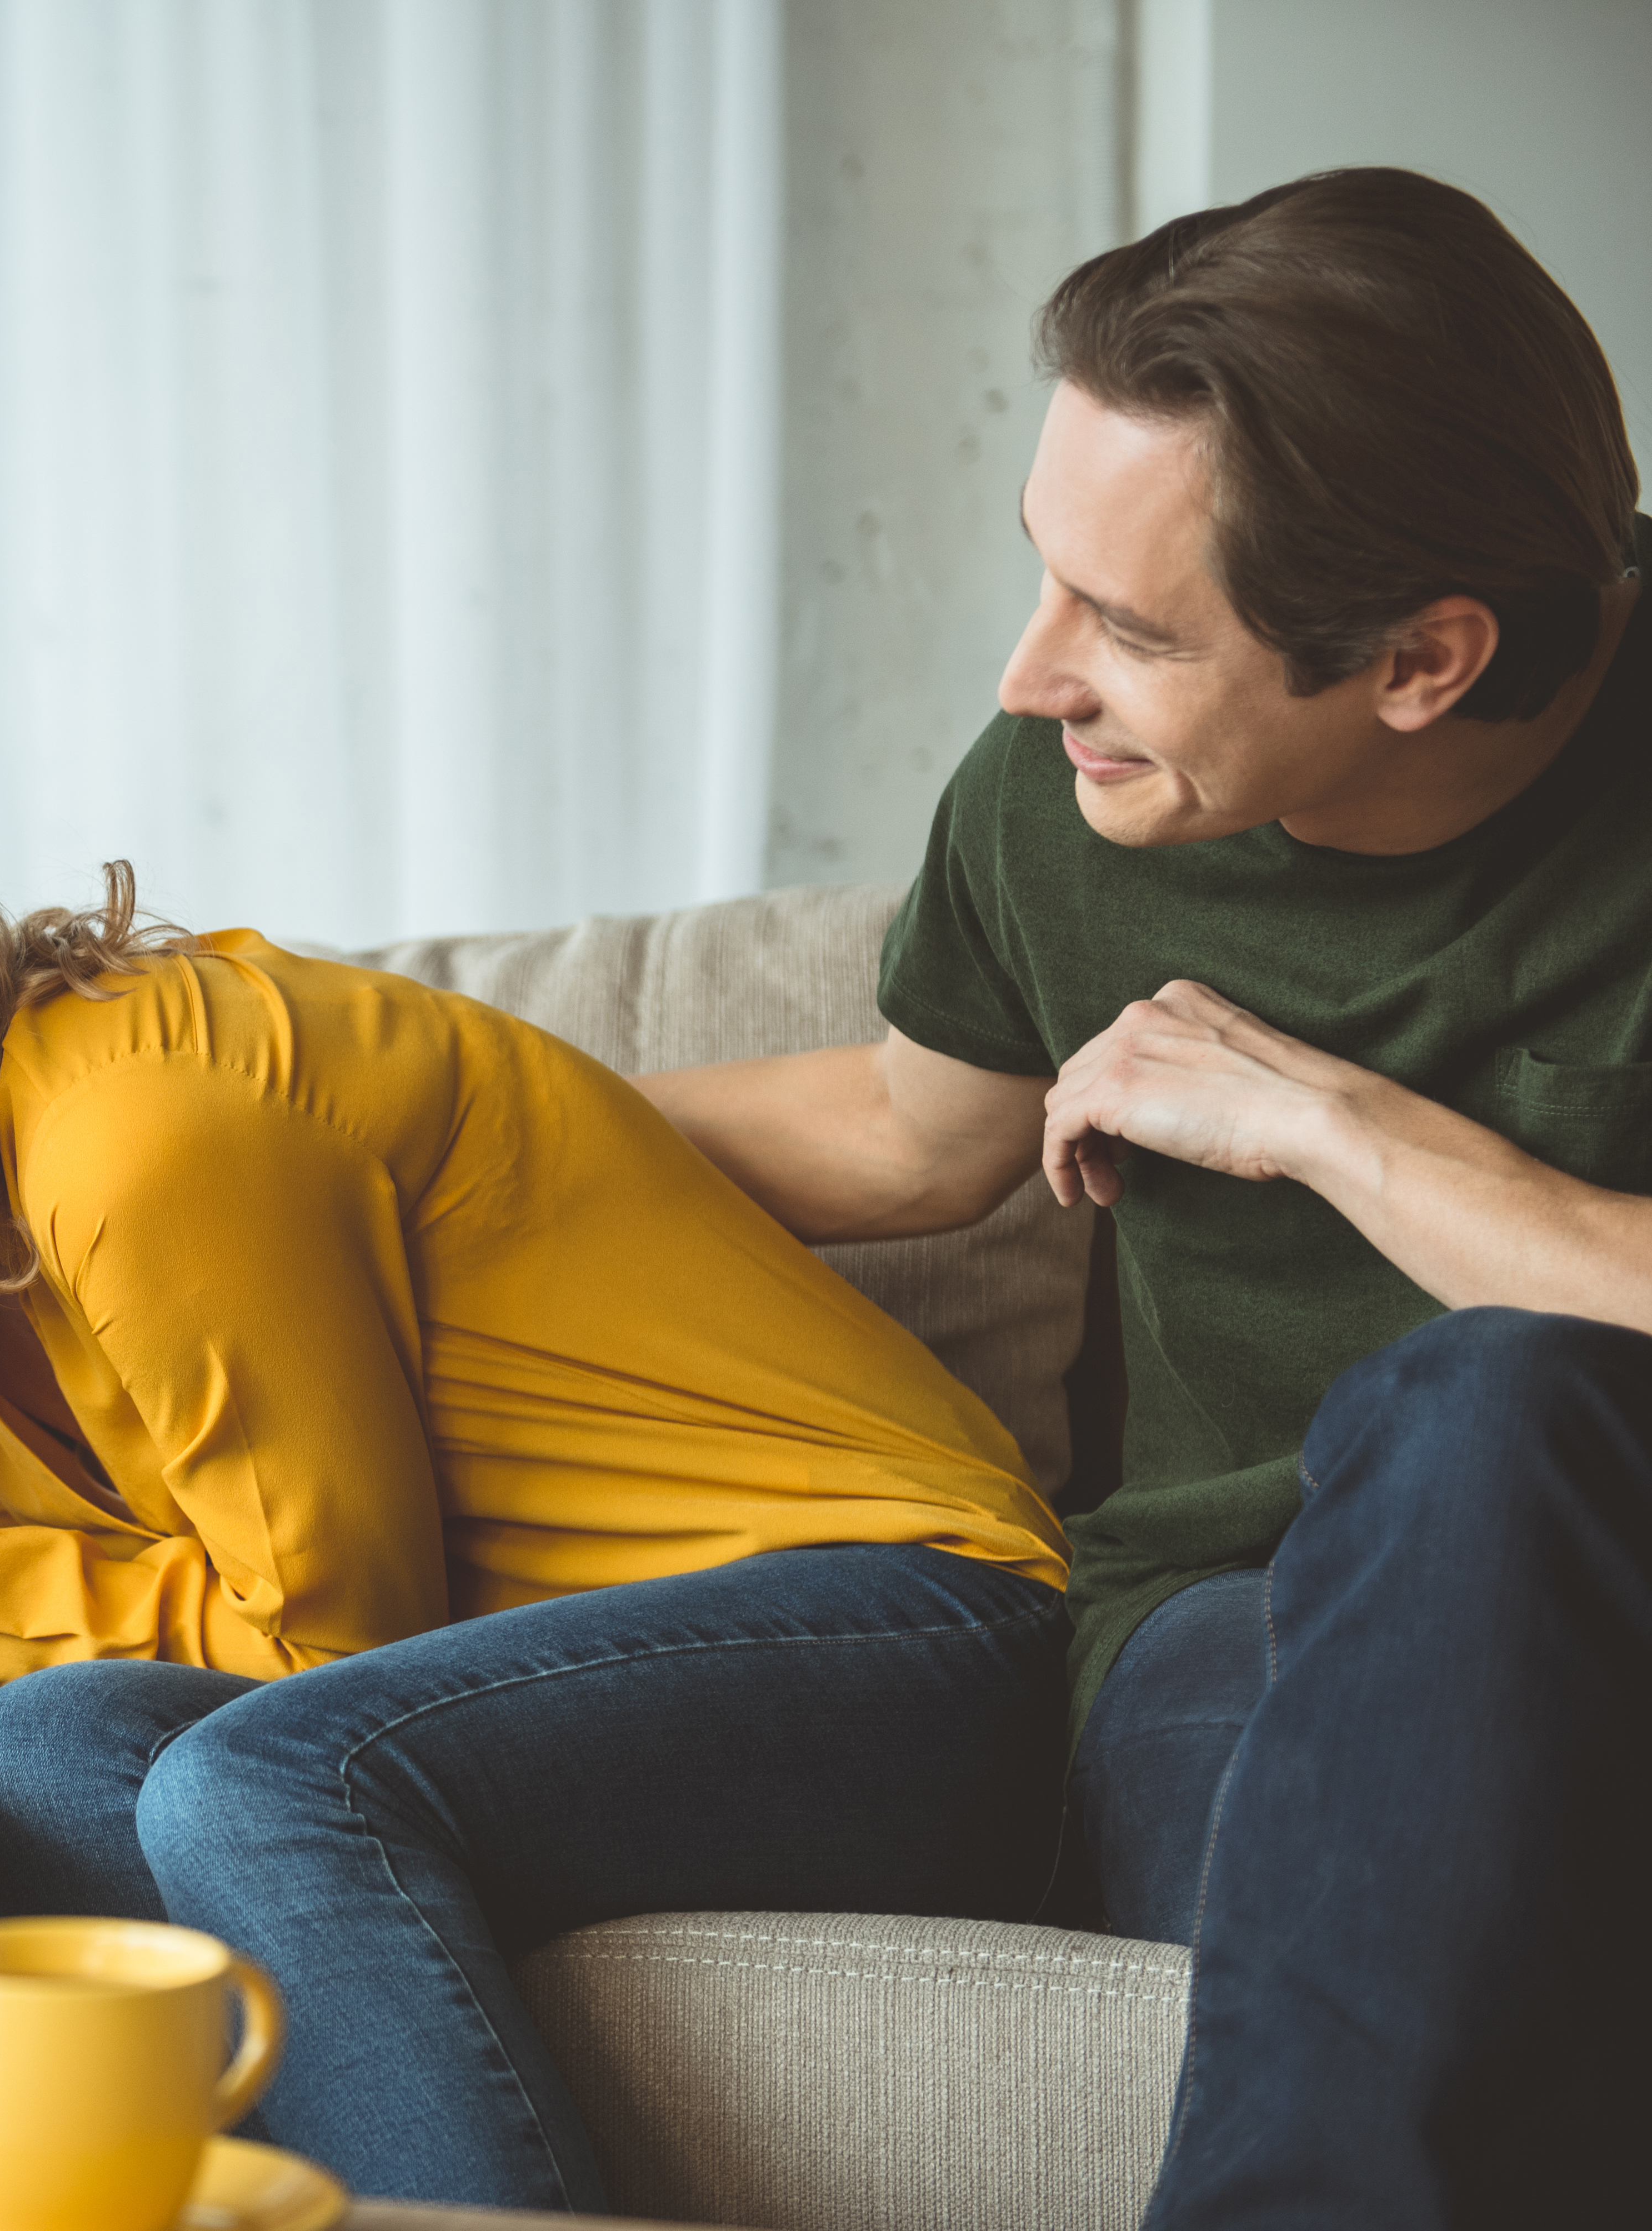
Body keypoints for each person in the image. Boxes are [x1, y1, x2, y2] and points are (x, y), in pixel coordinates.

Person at [0, 703, 1074, 2210]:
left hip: (911, 1635)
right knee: (35, 1753)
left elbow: (329, 1657)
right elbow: (77, 1650)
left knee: (262, 1782)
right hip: (558, 1708)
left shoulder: (130, 1141)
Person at [637, 169, 1651, 2228]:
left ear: (1423, 661)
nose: (1029, 679)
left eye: (1129, 624)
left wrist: (1330, 1126)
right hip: (1235, 1631)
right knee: (1429, 1911)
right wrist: (406, 1106)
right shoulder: (1074, 788)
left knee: (1487, 1401)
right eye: (1048, 576)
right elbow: (918, 1137)